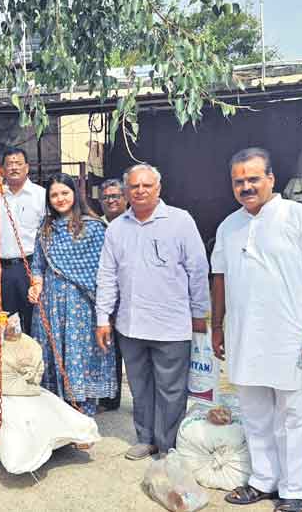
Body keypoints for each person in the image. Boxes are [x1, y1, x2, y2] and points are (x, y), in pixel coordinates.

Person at [212, 148, 302, 512]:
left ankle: (293, 490)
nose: (246, 186)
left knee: (293, 416)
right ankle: (262, 480)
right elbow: (219, 278)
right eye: (239, 181)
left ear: (271, 178)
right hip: (245, 335)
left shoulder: (299, 217)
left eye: (253, 178)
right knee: (254, 412)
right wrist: (218, 327)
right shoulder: (229, 226)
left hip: (292, 338)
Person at [95, 164, 210, 460]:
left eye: (147, 185)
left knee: (171, 390)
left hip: (171, 323)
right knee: (140, 386)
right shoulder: (117, 228)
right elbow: (107, 276)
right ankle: (145, 438)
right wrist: (102, 319)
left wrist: (200, 314)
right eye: (134, 187)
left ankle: (168, 444)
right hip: (130, 325)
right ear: (126, 192)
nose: (140, 191)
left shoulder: (180, 221)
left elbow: (197, 270)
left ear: (159, 188)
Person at [28, 173, 117, 416]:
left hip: (83, 305)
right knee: (53, 356)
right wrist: (36, 285)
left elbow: (106, 272)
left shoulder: (94, 227)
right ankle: (56, 416)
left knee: (80, 356)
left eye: (64, 193)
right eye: (54, 195)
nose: (60, 198)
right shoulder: (45, 229)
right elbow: (38, 266)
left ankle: (83, 417)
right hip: (51, 304)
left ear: (75, 194)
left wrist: (105, 312)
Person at [0, 146, 47, 334]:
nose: (14, 168)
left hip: (33, 269)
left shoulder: (41, 196)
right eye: (9, 164)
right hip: (4, 272)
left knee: (37, 324)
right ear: (1, 169)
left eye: (18, 163)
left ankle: (37, 362)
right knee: (7, 327)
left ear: (27, 167)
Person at [97, 178, 127, 411]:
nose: (111, 201)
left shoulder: (133, 223)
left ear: (125, 197)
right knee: (109, 347)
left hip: (131, 296)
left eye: (115, 196)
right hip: (106, 295)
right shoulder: (98, 226)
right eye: (106, 197)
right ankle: (110, 397)